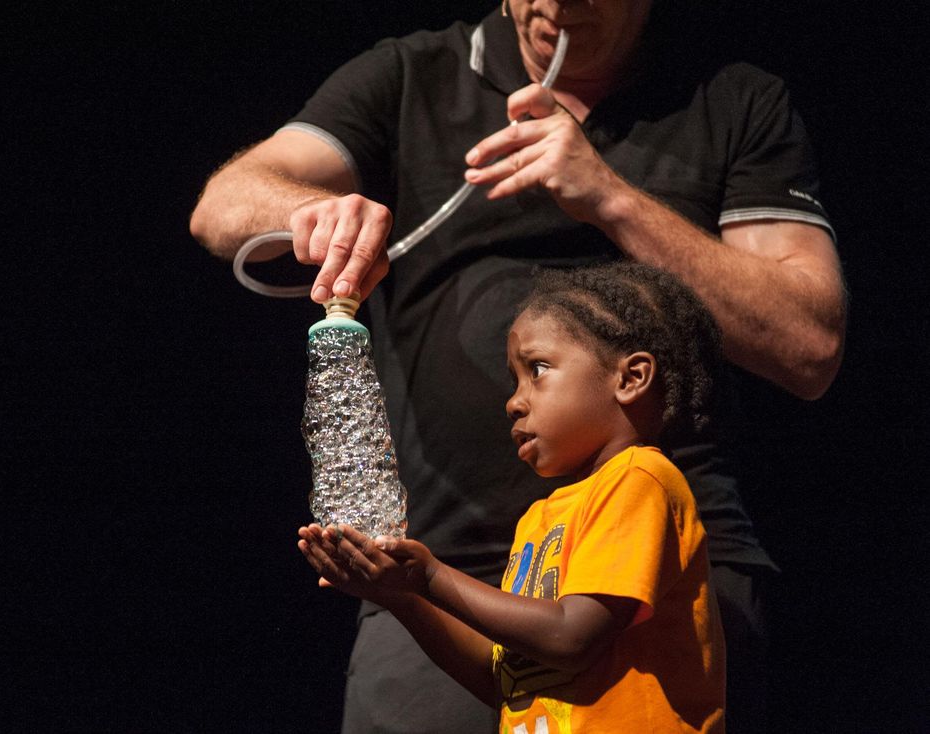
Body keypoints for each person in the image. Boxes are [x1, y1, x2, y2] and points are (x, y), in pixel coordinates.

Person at [190, 2, 847, 730]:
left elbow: (809, 344)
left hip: (658, 576)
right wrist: (314, 211)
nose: (554, 7)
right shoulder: (412, 72)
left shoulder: (731, 97)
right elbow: (223, 206)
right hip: (447, 567)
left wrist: (611, 198)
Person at [299, 262, 727, 733]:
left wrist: (431, 577)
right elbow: (505, 678)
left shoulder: (640, 480)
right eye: (514, 379)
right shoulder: (539, 518)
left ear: (630, 378)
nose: (514, 401)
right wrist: (400, 596)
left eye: (537, 370)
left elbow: (571, 637)